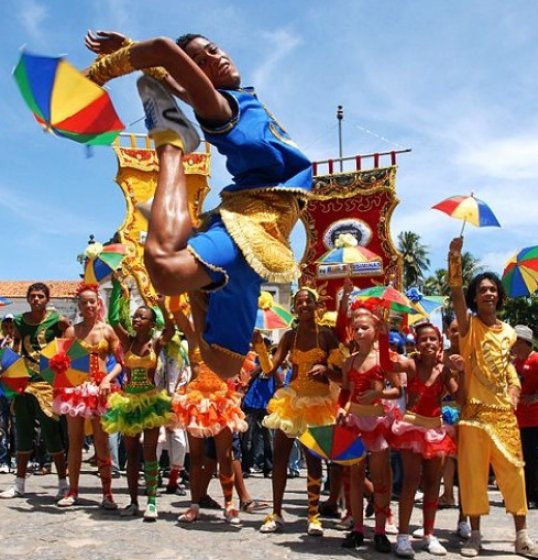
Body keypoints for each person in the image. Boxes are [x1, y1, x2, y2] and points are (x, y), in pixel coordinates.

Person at [83, 31, 312, 381]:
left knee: (225, 364)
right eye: (201, 62)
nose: (214, 58)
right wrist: (97, 75)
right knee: (164, 273)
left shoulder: (238, 101)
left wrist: (130, 51)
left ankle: (193, 257)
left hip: (260, 236)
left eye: (213, 50)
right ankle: (172, 144)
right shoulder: (223, 107)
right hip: (248, 225)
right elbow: (163, 50)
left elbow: (178, 77)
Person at [449, 237, 538, 558]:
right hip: (474, 415)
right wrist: (454, 260)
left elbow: (509, 369)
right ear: (475, 297)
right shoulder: (469, 327)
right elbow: (456, 297)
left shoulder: (510, 333)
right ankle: (474, 536)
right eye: (482, 289)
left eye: (492, 289)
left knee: (515, 473)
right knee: (472, 477)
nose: (488, 293)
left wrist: (514, 392)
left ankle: (522, 536)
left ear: (499, 297)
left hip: (503, 416)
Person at [260, 288, 342, 536]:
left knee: (314, 460)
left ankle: (313, 516)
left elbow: (341, 375)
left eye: (308, 301)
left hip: (319, 403)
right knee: (280, 459)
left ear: (317, 306)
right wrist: (258, 347)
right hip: (292, 401)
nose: (304, 305)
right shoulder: (289, 337)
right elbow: (268, 370)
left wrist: (326, 371)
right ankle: (276, 513)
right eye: (299, 302)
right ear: (295, 308)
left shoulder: (327, 337)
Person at [102, 276, 175, 521]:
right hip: (129, 401)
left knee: (150, 452)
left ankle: (152, 501)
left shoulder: (156, 343)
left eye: (142, 317)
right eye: (135, 316)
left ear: (151, 323)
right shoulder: (128, 341)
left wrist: (163, 306)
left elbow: (171, 330)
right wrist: (118, 292)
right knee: (131, 453)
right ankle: (133, 501)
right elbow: (113, 320)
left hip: (152, 402)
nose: (136, 319)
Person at [170, 300, 248, 525]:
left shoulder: (226, 337)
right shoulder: (193, 334)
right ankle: (194, 505)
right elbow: (175, 310)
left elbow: (240, 363)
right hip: (195, 401)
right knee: (195, 458)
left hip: (220, 401)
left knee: (225, 456)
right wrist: (176, 289)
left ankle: (229, 505)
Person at [336, 300, 401, 553]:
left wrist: (379, 396)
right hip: (353, 422)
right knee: (354, 477)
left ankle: (381, 530)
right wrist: (341, 408)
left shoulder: (384, 359)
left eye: (365, 328)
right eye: (356, 328)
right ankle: (358, 529)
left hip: (376, 422)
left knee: (380, 477)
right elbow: (344, 391)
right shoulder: (349, 362)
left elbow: (397, 390)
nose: (359, 332)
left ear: (376, 330)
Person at [389, 322, 459, 558]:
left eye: (433, 339)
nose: (428, 343)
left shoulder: (445, 370)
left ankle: (429, 534)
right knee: (410, 481)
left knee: (432, 483)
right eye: (423, 339)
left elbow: (461, 396)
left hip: (436, 430)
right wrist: (380, 331)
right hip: (411, 428)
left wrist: (465, 370)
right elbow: (386, 362)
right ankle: (402, 537)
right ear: (416, 344)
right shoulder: (410, 365)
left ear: (440, 343)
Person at [54, 282, 123, 509]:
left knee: (101, 443)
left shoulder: (107, 330)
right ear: (79, 306)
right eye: (84, 302)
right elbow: (61, 363)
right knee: (74, 442)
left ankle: (107, 493)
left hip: (101, 389)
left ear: (98, 303)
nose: (88, 305)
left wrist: (106, 379)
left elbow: (122, 362)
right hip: (77, 390)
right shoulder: (72, 331)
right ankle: (72, 491)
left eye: (92, 301)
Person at [0, 283, 70, 500]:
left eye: (40, 296)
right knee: (22, 433)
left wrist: (66, 326)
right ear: (28, 299)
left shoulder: (55, 321)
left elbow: (68, 344)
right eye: (32, 296)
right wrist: (11, 368)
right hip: (23, 383)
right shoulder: (19, 321)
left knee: (51, 434)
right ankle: (19, 484)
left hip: (47, 384)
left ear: (47, 299)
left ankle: (62, 484)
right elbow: (17, 345)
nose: (36, 299)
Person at [512, 324, 538, 510]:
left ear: (522, 341)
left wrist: (535, 397)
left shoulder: (536, 360)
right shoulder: (514, 363)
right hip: (516, 419)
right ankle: (522, 494)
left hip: (534, 419)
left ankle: (534, 493)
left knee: (532, 458)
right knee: (519, 458)